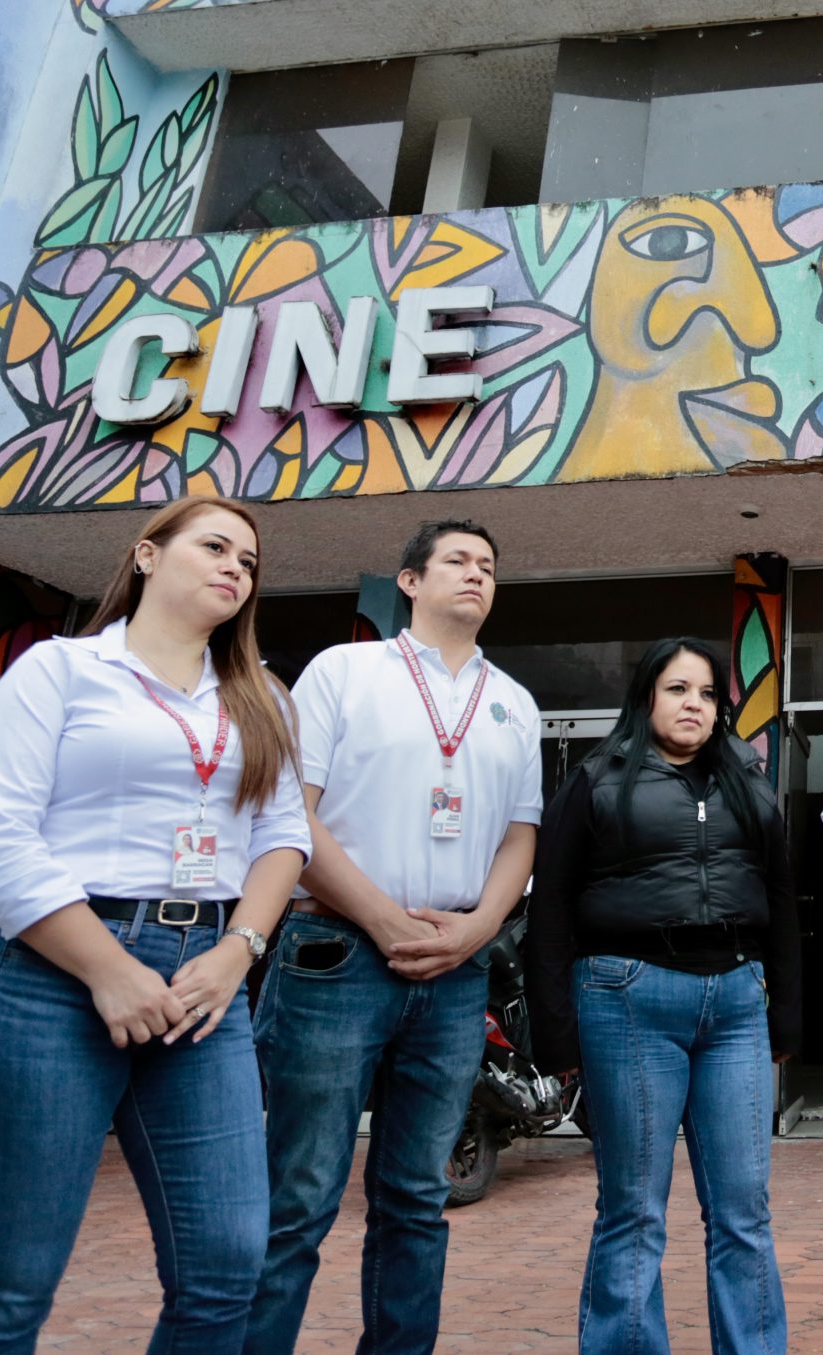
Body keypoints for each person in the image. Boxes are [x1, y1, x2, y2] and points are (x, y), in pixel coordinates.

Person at [0, 498, 310, 1353]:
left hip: (204, 981)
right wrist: (109, 968)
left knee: (227, 1268)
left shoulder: (262, 699)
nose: (236, 567)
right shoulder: (59, 670)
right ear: (146, 555)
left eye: (249, 561)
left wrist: (239, 952)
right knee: (8, 1288)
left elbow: (284, 836)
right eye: (215, 546)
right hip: (53, 976)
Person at [246, 520, 542, 1354]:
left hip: (454, 971)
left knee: (416, 1195)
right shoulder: (344, 672)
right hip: (337, 952)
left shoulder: (514, 701)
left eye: (489, 566)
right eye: (457, 560)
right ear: (409, 581)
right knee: (297, 1196)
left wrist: (478, 929)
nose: (476, 574)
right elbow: (292, 814)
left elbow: (521, 836)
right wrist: (380, 916)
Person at [530, 638, 799, 1355]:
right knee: (634, 1211)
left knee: (744, 1211)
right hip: (627, 999)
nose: (693, 705)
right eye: (678, 689)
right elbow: (549, 909)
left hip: (737, 1004)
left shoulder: (749, 782)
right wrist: (555, 1033)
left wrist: (786, 1013)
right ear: (646, 696)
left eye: (707, 693)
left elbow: (780, 901)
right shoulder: (596, 779)